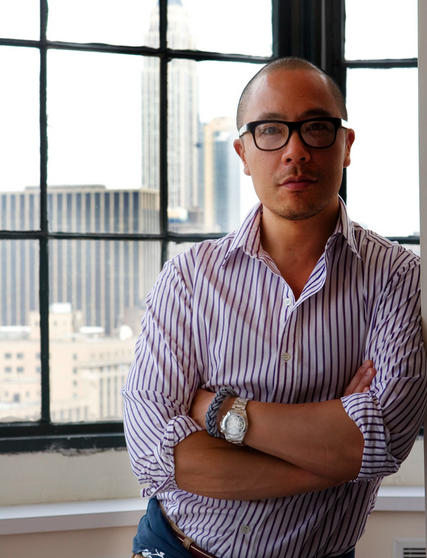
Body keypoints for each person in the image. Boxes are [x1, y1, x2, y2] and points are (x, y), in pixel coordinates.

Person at [122, 57, 427, 558]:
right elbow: (158, 456)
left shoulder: (398, 277)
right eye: (270, 130)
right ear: (243, 153)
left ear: (347, 145)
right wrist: (332, 459)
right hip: (176, 548)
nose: (295, 151)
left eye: (316, 127)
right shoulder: (189, 277)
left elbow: (384, 440)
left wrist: (217, 411)